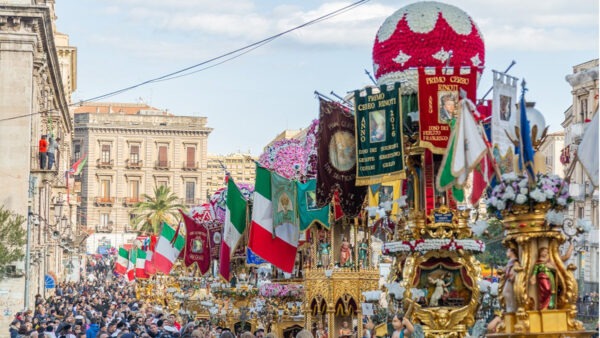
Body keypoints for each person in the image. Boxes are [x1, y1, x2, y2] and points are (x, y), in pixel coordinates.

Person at [502, 247, 520, 313]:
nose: (506, 253)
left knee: (507, 293)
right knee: (505, 293)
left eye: (508, 251)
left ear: (512, 252)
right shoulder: (510, 261)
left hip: (510, 279)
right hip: (508, 279)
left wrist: (512, 275)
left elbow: (515, 268)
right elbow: (506, 268)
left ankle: (511, 308)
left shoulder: (515, 261)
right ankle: (509, 307)